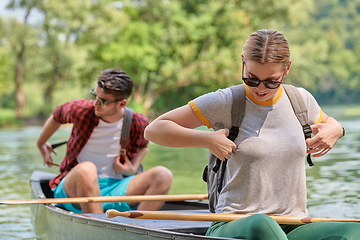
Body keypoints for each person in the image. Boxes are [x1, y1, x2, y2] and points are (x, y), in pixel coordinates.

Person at [144, 29, 359, 240]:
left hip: (293, 225)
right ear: (243, 63)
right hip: (236, 224)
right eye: (252, 79)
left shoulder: (301, 100)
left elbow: (330, 123)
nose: (261, 88)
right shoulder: (226, 101)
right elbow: (154, 130)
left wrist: (337, 129)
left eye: (272, 81)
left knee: (351, 232)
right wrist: (207, 139)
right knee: (261, 224)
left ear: (287, 69)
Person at [37, 69, 173, 214]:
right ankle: (97, 225)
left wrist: (132, 169)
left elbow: (143, 146)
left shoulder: (138, 122)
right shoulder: (81, 110)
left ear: (121, 104)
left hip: (117, 187)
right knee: (87, 169)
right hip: (75, 189)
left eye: (102, 101)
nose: (95, 103)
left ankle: (141, 229)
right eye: (94, 95)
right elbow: (57, 115)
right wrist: (41, 143)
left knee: (163, 174)